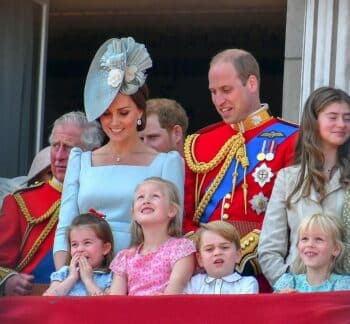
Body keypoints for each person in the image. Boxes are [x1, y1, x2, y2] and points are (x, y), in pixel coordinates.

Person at [53, 37, 185, 270]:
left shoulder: (167, 163)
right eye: (106, 114)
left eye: (123, 113)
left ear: (140, 112)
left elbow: (173, 232)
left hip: (142, 274)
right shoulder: (81, 160)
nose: (114, 122)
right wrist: (65, 274)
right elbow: (65, 227)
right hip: (85, 272)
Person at [183, 49, 298, 285]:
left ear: (252, 83)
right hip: (204, 274)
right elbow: (186, 216)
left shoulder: (291, 139)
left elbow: (294, 215)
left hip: (262, 272)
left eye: (226, 90)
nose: (218, 101)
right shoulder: (201, 143)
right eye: (214, 92)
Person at [0, 111, 103, 296]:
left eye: (69, 148)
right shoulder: (20, 202)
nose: (59, 156)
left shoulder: (106, 198)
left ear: (93, 152)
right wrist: (8, 280)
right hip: (36, 303)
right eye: (56, 146)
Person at [258, 86, 350, 286]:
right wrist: (287, 285)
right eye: (333, 117)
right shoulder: (288, 178)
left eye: (347, 118)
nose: (342, 124)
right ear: (313, 121)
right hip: (295, 294)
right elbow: (269, 248)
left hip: (344, 296)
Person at [109, 177, 195, 295]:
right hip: (131, 312)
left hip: (166, 310)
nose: (146, 201)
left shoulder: (181, 248)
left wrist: (161, 304)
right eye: (140, 197)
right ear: (133, 214)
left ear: (171, 210)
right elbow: (115, 301)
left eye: (155, 196)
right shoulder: (125, 257)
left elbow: (177, 286)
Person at [274, 213, 350, 292]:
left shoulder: (343, 285)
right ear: (297, 246)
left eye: (319, 239)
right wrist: (284, 300)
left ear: (336, 249)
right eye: (304, 239)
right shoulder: (290, 283)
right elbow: (271, 304)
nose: (310, 244)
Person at [43, 211, 114, 296]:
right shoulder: (64, 273)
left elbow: (107, 305)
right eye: (74, 244)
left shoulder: (110, 277)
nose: (79, 249)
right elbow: (48, 298)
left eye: (87, 242)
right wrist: (72, 278)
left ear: (105, 248)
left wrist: (88, 280)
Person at [184, 221, 258, 294]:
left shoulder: (247, 284)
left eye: (224, 247)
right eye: (209, 249)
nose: (217, 253)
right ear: (200, 259)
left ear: (237, 255)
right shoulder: (193, 284)